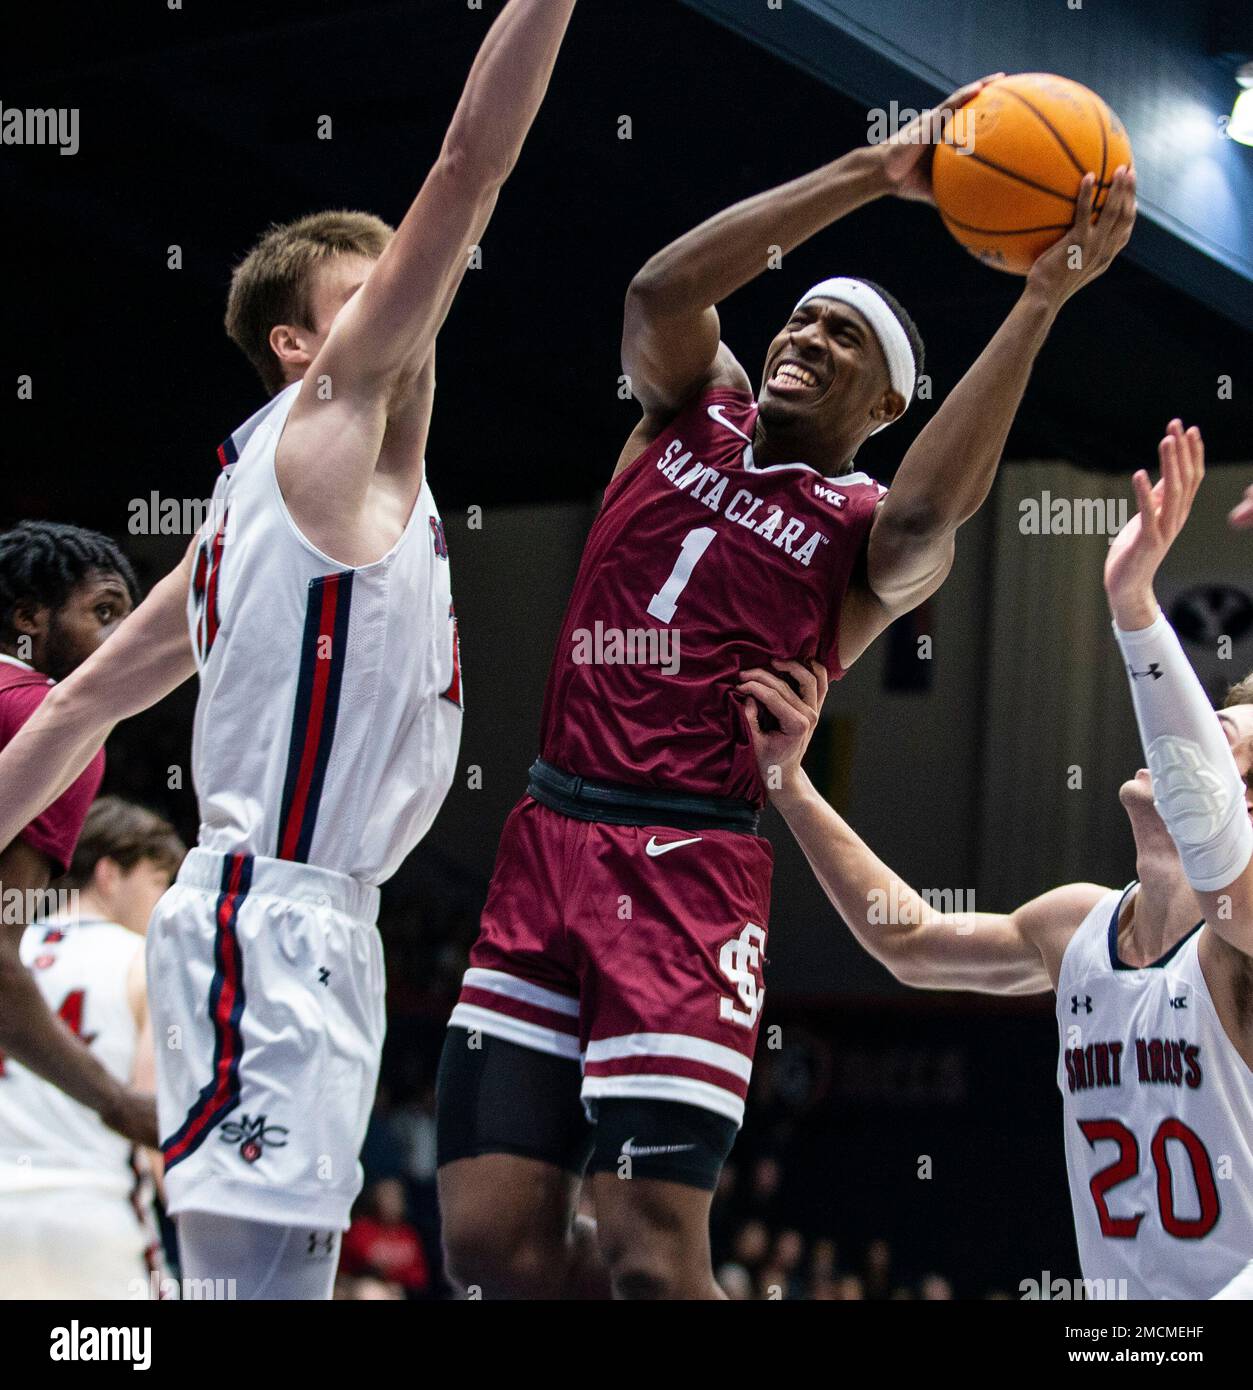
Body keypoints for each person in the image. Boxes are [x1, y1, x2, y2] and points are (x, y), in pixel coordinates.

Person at [436, 75, 1137, 1299]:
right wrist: (872, 173)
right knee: (491, 1245)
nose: (804, 337)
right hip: (544, 834)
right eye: (800, 319)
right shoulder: (679, 415)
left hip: (685, 871)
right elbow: (658, 292)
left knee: (654, 1255)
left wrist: (1038, 300)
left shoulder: (862, 534)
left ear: (883, 404)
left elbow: (931, 507)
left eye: (843, 338)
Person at [0, 0, 579, 1299]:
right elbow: (469, 165)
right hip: (276, 919)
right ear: (299, 346)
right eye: (370, 288)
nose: (411, 296)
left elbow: (76, 705)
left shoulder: (242, 522)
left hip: (298, 922)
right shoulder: (323, 429)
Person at [736, 421, 1253, 1299]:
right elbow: (910, 941)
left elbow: (1215, 845)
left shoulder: (1236, 949)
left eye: (1213, 740)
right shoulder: (1075, 926)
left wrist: (1134, 605)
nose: (1170, 746)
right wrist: (790, 784)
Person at [0, 522, 152, 1146]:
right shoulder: (53, 724)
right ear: (30, 619)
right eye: (105, 613)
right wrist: (117, 1103)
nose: (124, 642)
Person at [0, 796, 184, 1299]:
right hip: (93, 1210)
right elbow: (154, 1131)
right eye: (157, 883)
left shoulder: (10, 950)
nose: (162, 903)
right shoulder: (144, 959)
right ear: (108, 874)